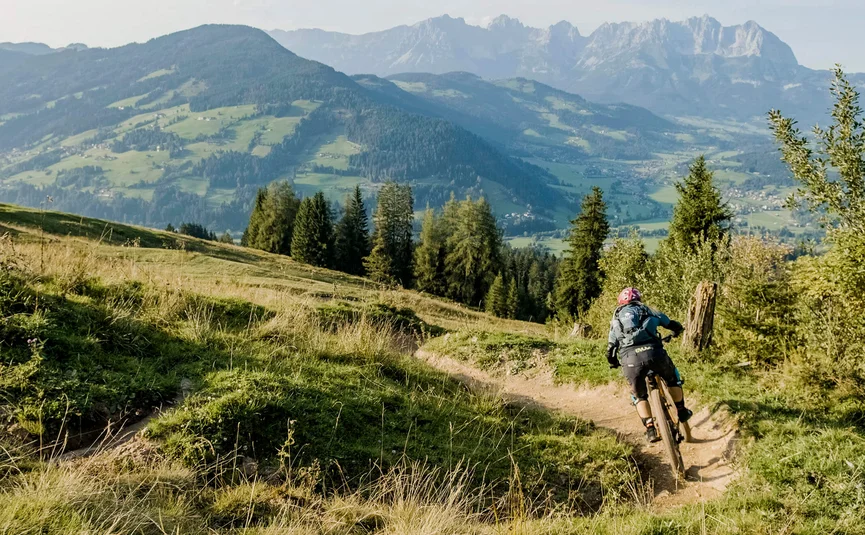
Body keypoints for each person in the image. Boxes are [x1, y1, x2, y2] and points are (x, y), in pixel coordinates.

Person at [606, 287, 692, 443]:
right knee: (673, 378)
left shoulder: (616, 319)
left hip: (630, 360)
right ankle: (681, 410)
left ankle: (650, 428)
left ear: (620, 303)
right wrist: (677, 330)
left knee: (638, 396)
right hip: (654, 353)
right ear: (639, 299)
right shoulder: (648, 310)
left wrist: (613, 362)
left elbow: (611, 348)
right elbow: (670, 324)